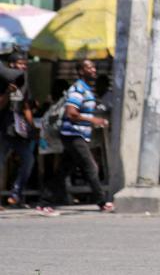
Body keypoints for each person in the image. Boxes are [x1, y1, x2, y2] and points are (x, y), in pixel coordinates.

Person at [37, 59, 111, 215]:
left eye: (93, 66)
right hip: (73, 135)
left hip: (77, 135)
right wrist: (93, 120)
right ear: (80, 71)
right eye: (88, 67)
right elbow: (72, 113)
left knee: (63, 171)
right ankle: (102, 202)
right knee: (91, 167)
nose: (93, 70)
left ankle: (44, 203)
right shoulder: (77, 89)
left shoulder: (86, 89)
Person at [1, 53, 37, 207]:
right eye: (20, 64)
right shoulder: (2, 81)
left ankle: (16, 194)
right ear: (11, 65)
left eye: (25, 64)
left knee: (28, 160)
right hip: (2, 128)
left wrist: (32, 127)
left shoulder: (23, 81)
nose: (23, 67)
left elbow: (26, 106)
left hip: (18, 130)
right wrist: (7, 93)